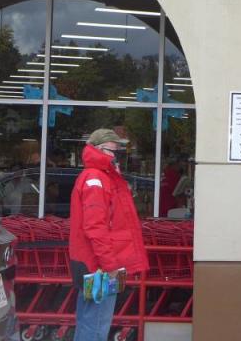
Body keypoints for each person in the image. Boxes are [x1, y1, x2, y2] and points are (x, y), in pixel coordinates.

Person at [69, 129, 148, 341]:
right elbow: (95, 228)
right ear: (95, 149)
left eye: (116, 149)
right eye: (110, 149)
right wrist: (111, 266)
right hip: (100, 266)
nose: (114, 154)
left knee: (89, 320)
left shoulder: (99, 177)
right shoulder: (97, 179)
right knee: (95, 325)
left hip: (95, 263)